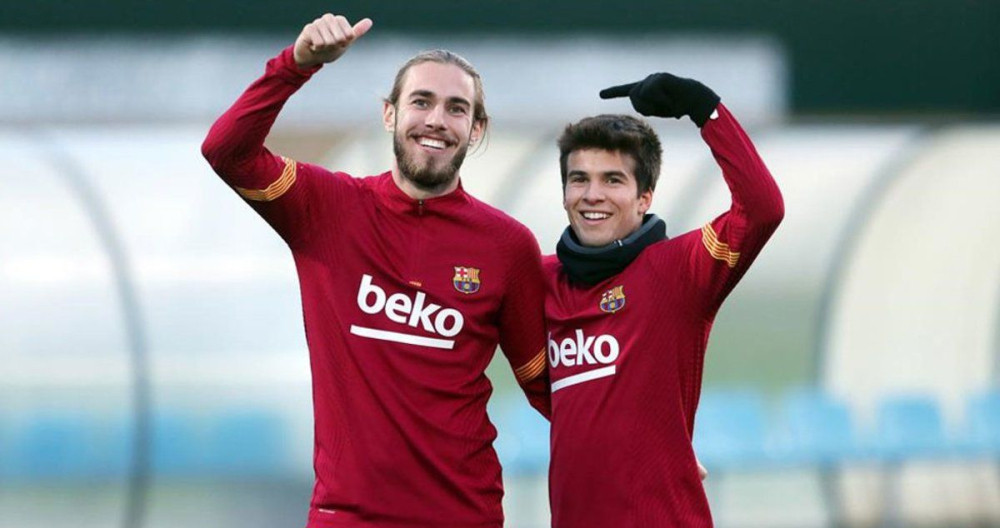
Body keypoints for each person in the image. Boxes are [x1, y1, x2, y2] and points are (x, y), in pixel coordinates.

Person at [200, 14, 549, 528]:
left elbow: (548, 387)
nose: (436, 120)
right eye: (421, 102)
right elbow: (225, 151)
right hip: (348, 516)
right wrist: (295, 66)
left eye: (457, 108)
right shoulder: (327, 207)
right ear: (389, 114)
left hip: (463, 514)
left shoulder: (507, 245)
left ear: (476, 129)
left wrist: (644, 456)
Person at [544, 73, 784, 526]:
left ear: (644, 197)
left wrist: (704, 107)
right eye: (579, 179)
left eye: (613, 180)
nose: (592, 195)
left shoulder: (679, 269)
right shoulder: (540, 279)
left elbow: (763, 208)